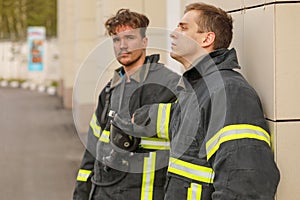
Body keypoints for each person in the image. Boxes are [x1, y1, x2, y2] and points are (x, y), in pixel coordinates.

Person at [118, 2, 280, 199]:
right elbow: (180, 122)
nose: (173, 33)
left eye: (183, 28)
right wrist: (140, 118)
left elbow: (246, 185)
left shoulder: (228, 92)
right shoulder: (198, 89)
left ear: (206, 38)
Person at [73, 9, 179, 200]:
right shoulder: (110, 90)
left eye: (129, 37)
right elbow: (92, 150)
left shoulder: (169, 85)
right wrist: (81, 193)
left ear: (144, 41)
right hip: (105, 191)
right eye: (116, 39)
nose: (122, 45)